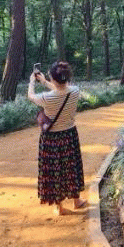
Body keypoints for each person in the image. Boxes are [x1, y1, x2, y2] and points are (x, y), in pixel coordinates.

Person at [27, 61, 86, 216]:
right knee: (71, 167)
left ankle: (59, 207)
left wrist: (32, 81)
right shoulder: (75, 91)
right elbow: (61, 90)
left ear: (53, 78)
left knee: (55, 171)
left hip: (51, 139)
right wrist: (44, 81)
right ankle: (76, 201)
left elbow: (31, 96)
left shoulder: (46, 98)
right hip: (69, 135)